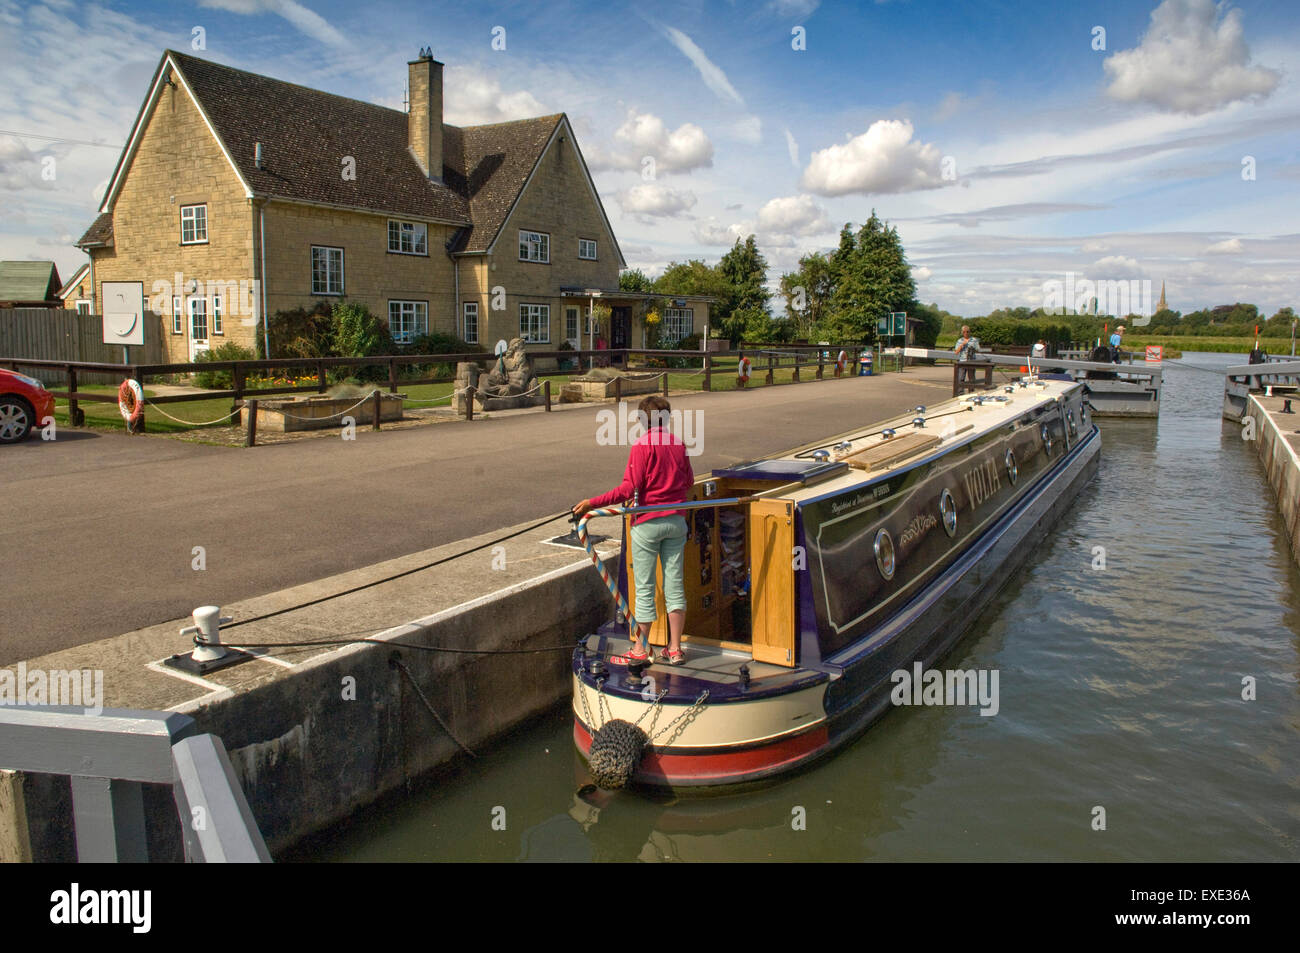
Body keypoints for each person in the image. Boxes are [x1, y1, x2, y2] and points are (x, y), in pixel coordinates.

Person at [574, 395, 694, 666]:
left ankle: (641, 649)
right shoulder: (678, 444)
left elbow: (628, 490)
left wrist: (592, 502)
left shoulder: (642, 446)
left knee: (645, 588)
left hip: (647, 524)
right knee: (675, 586)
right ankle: (675, 649)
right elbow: (689, 480)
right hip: (676, 522)